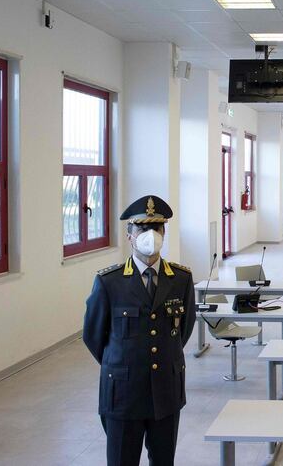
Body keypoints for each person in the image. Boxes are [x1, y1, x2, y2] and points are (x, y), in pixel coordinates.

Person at [83, 195, 196, 466]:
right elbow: (94, 336)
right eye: (142, 229)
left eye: (156, 229)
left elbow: (184, 329)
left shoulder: (180, 279)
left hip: (166, 393)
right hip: (123, 392)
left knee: (163, 460)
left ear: (164, 234)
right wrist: (124, 361)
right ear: (130, 236)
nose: (150, 235)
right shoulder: (109, 282)